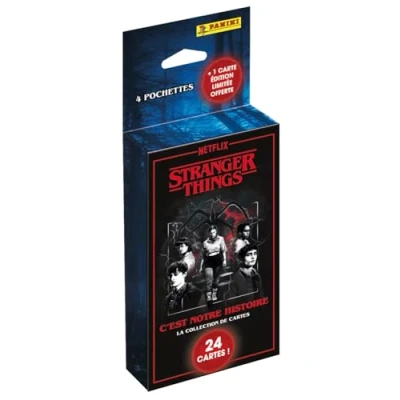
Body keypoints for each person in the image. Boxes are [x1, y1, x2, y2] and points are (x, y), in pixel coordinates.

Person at [199, 225, 227, 302]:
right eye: (211, 233)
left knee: (216, 279)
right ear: (209, 233)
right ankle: (208, 295)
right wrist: (200, 267)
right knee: (209, 277)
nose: (212, 234)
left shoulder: (221, 239)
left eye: (214, 232)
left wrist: (224, 260)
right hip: (208, 261)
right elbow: (202, 256)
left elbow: (223, 251)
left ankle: (214, 294)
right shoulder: (205, 243)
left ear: (216, 232)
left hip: (218, 260)